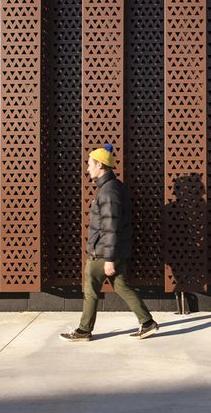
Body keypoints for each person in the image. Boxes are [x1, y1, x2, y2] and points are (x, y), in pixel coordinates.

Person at [60, 143, 158, 342]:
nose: (87, 168)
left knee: (90, 292)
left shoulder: (108, 192)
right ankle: (147, 322)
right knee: (122, 287)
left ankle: (83, 331)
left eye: (90, 164)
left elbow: (111, 227)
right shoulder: (112, 188)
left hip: (103, 253)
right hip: (112, 251)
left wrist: (109, 259)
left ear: (100, 166)